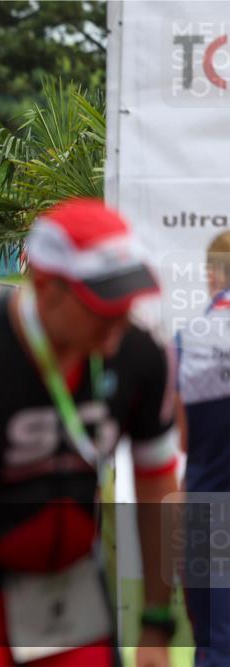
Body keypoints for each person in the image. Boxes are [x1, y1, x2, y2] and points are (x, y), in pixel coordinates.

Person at [0, 199, 179, 667]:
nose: (116, 325)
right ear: (47, 289)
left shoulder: (140, 350)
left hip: (74, 592)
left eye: (125, 303)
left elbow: (158, 486)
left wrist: (157, 622)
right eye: (101, 306)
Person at [177, 230, 230, 667]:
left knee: (214, 644)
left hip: (206, 503)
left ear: (212, 274)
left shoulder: (186, 340)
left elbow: (181, 437)